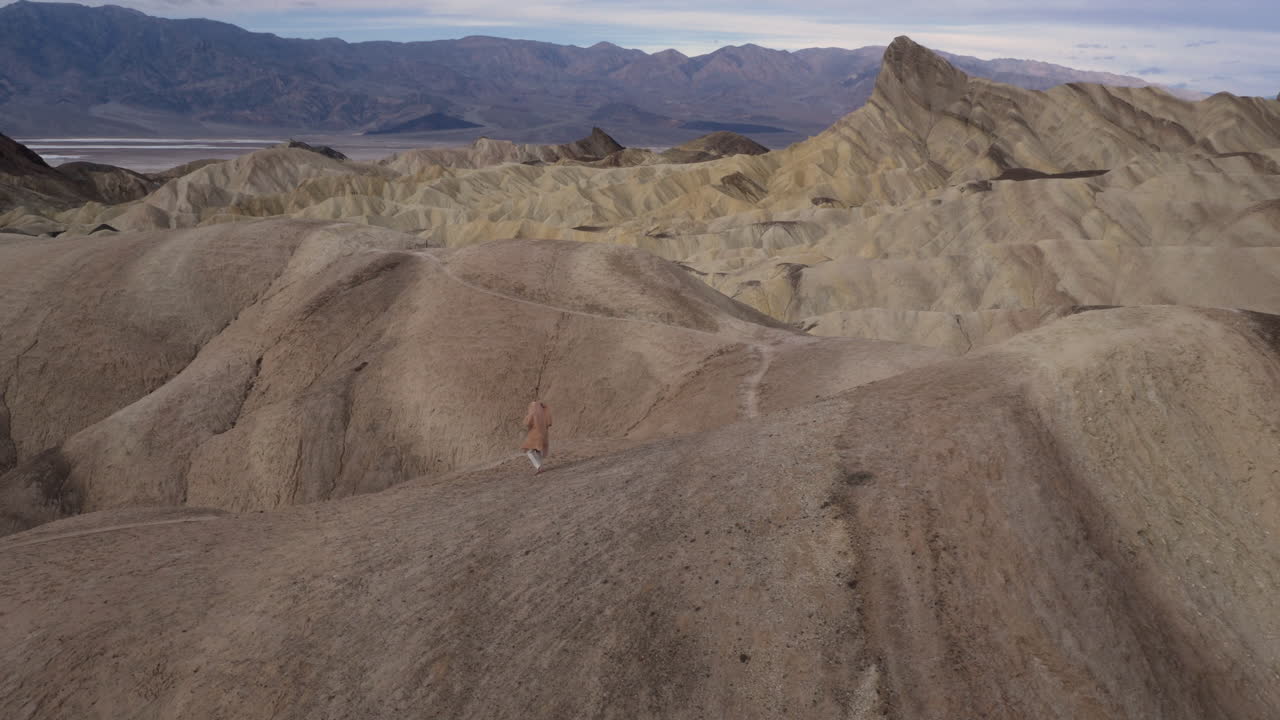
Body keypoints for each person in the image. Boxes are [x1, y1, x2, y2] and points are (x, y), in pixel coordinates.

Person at [521, 400, 552, 474]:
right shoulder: (544, 414)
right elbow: (549, 423)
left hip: (534, 435)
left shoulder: (533, 413)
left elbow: (526, 423)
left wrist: (528, 415)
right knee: (537, 451)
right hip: (543, 434)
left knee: (529, 451)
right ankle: (541, 466)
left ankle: (538, 466)